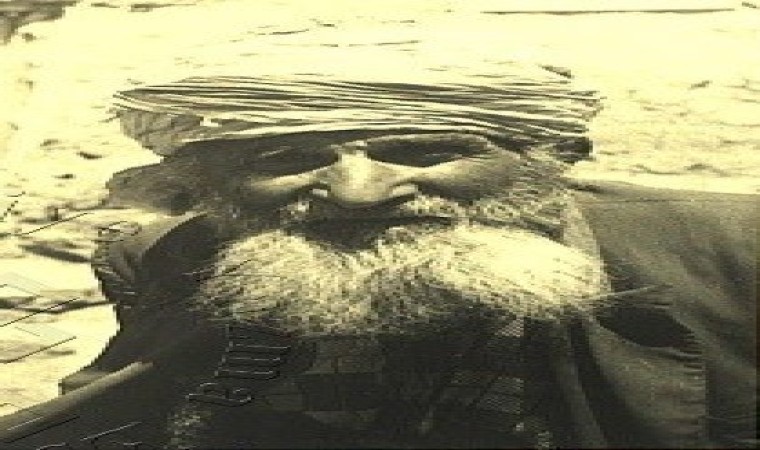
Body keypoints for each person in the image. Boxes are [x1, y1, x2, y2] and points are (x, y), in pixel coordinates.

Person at [0, 62, 755, 450]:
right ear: (212, 182)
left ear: (551, 156)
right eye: (291, 157)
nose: (357, 193)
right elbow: (124, 406)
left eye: (422, 152)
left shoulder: (731, 254)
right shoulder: (171, 253)